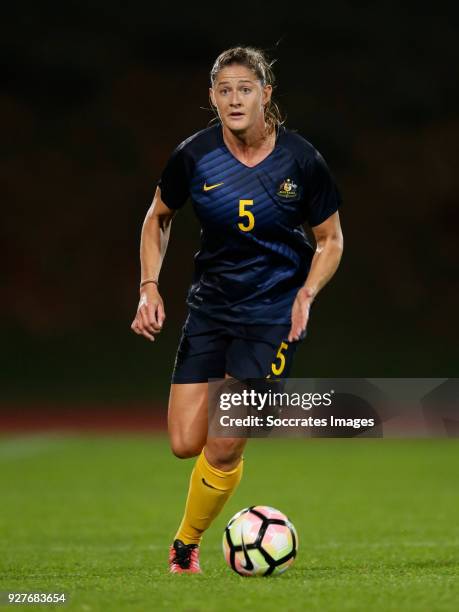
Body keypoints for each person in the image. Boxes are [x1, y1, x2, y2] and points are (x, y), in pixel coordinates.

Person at [131, 46, 344, 574]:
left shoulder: (300, 160)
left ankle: (184, 547)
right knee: (186, 444)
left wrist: (307, 293)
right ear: (211, 97)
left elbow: (331, 239)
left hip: (271, 316)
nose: (234, 99)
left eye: (245, 88)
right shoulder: (194, 156)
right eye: (223, 90)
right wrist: (149, 285)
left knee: (224, 443)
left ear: (266, 94)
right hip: (210, 310)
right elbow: (158, 217)